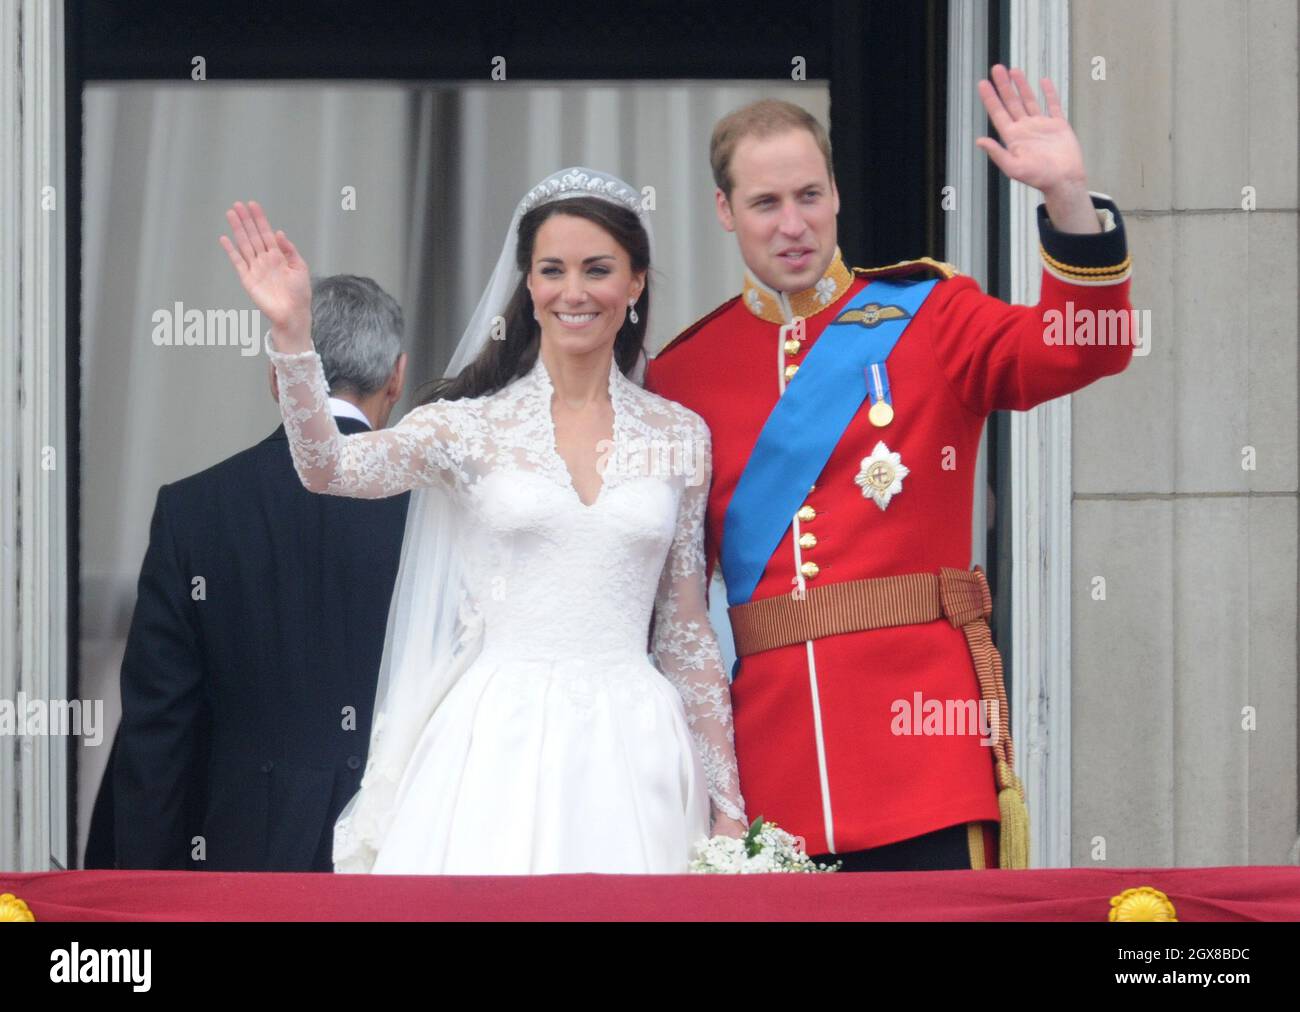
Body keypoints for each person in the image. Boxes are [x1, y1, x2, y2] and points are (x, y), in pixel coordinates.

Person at [645, 66, 1135, 871]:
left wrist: (1068, 197)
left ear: (836, 195)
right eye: (766, 204)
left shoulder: (932, 316)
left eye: (809, 195)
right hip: (777, 772)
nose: (793, 223)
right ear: (726, 212)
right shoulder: (682, 376)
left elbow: (1085, 345)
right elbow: (666, 597)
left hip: (925, 758)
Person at [218, 168, 748, 875]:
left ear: (636, 282)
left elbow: (685, 631)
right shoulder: (470, 427)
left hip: (639, 745)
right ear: (528, 286)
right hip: (497, 739)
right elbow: (328, 467)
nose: (575, 292)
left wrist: (726, 799)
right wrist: (291, 334)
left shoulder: (680, 434)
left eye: (598, 269)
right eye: (552, 270)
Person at [108, 275, 411, 872]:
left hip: (242, 860)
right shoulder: (434, 511)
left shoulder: (193, 510)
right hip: (402, 852)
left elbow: (158, 730)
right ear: (397, 377)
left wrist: (142, 890)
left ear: (278, 376)